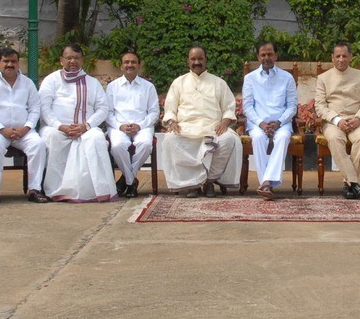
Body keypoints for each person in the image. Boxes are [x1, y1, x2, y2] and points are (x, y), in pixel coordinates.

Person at [160, 45, 243, 197]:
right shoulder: (179, 82)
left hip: (213, 127)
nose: (197, 62)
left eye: (200, 59)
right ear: (188, 61)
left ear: (206, 60)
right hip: (186, 128)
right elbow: (170, 108)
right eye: (193, 59)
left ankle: (209, 181)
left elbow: (229, 107)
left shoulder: (218, 83)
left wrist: (224, 123)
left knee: (230, 139)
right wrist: (172, 123)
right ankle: (192, 184)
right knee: (170, 139)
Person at [39, 43, 117, 202]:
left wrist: (86, 126)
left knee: (96, 138)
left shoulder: (92, 83)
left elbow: (103, 108)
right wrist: (60, 126)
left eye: (76, 58)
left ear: (82, 60)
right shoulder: (51, 80)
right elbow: (43, 107)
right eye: (69, 58)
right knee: (52, 136)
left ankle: (94, 191)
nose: (72, 61)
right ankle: (56, 190)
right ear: (61, 60)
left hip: (85, 128)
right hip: (58, 128)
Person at [0, 48, 50, 204]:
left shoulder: (28, 83)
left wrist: (26, 128)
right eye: (6, 61)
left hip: (23, 131)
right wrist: (1, 129)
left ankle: (35, 189)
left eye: (13, 61)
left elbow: (35, 108)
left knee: (38, 144)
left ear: (18, 64)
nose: (9, 64)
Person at [313, 42, 360, 201]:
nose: (341, 59)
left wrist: (358, 119)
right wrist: (337, 120)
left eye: (344, 56)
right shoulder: (323, 78)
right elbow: (320, 105)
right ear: (332, 58)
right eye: (337, 56)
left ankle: (348, 183)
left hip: (357, 120)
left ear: (350, 57)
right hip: (334, 122)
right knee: (334, 138)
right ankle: (354, 184)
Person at [242, 41, 298, 201]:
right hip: (258, 123)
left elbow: (292, 106)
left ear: (276, 56)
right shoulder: (250, 78)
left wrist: (279, 122)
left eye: (270, 54)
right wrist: (261, 123)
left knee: (282, 137)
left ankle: (265, 182)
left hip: (281, 123)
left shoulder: (287, 78)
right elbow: (247, 107)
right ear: (258, 57)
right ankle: (266, 184)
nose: (266, 58)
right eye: (263, 55)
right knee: (258, 138)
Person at [105, 49, 160, 198]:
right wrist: (120, 126)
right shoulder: (112, 87)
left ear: (139, 65)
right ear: (121, 66)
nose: (130, 65)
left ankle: (125, 180)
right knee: (117, 146)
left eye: (133, 62)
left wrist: (140, 126)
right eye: (126, 62)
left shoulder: (148, 87)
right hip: (119, 127)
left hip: (142, 126)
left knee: (145, 144)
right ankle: (131, 182)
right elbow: (107, 112)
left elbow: (154, 112)